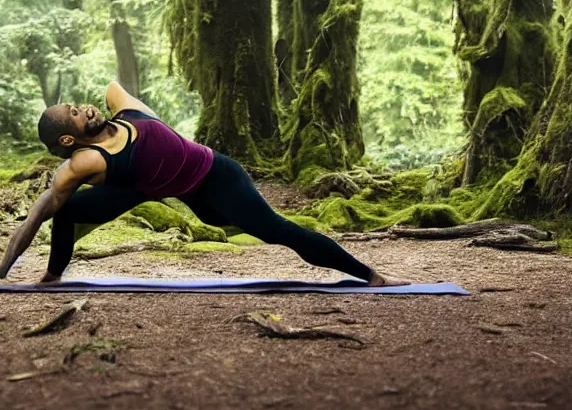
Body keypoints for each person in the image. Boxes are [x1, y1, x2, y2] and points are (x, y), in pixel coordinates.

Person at [0, 81, 408, 286]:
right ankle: (52, 277)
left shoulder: (125, 108)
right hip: (145, 187)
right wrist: (3, 271)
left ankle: (371, 276)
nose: (83, 107)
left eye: (78, 104)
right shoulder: (81, 163)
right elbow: (38, 213)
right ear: (68, 139)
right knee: (65, 209)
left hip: (214, 179)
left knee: (277, 231)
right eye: (74, 113)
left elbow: (112, 86)